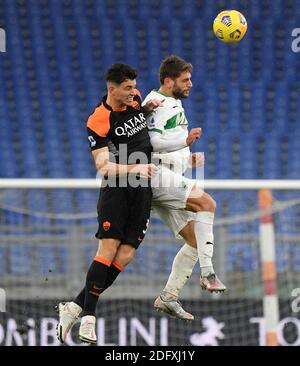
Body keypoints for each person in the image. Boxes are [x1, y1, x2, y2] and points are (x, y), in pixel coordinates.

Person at [56, 63, 163, 344]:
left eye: (133, 87)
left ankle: (74, 306)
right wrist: (133, 169)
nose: (133, 92)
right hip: (117, 188)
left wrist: (146, 109)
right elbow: (103, 167)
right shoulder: (98, 120)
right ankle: (89, 317)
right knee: (108, 248)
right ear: (111, 88)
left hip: (142, 188)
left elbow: (135, 120)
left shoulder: (136, 98)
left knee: (126, 254)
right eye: (127, 88)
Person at [143, 55, 226, 321]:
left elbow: (166, 143)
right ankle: (208, 273)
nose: (190, 84)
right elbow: (151, 144)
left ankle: (168, 297)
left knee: (194, 239)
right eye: (185, 80)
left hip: (166, 175)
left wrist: (185, 157)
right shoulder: (155, 102)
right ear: (169, 81)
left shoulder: (173, 102)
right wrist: (184, 141)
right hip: (155, 177)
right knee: (207, 203)